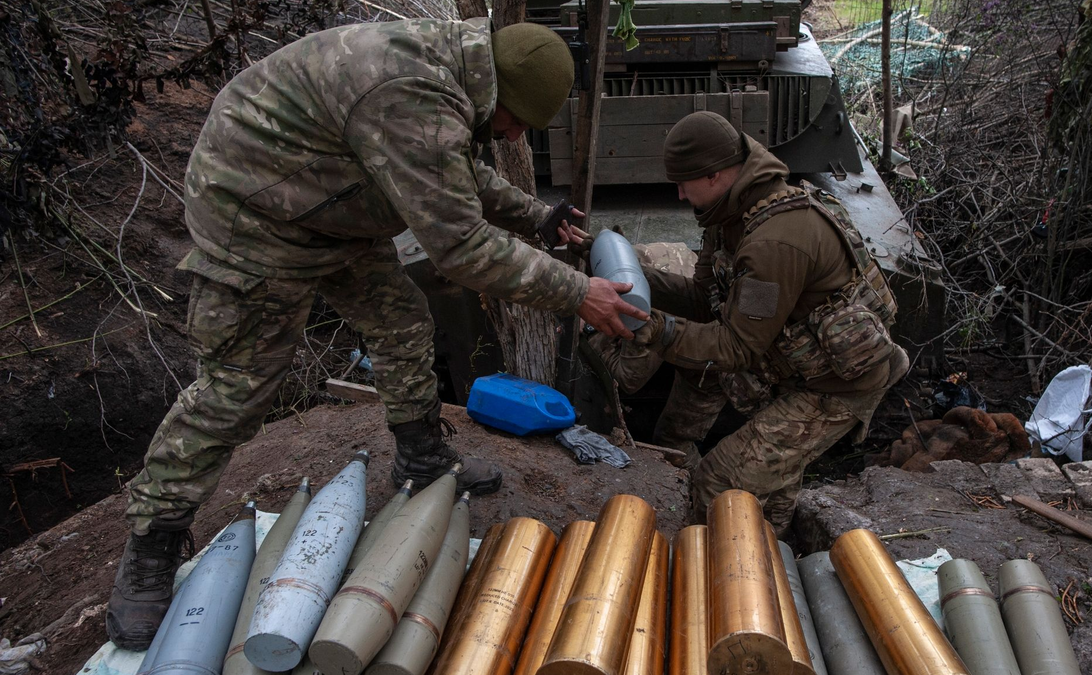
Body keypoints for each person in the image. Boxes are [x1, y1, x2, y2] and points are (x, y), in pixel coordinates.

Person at [106, 18, 646, 649]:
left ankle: (421, 460)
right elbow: (461, 247)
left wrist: (537, 217)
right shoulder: (410, 94)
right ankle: (153, 540)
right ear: (497, 92)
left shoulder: (453, 77)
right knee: (240, 384)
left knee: (401, 322)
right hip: (253, 214)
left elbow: (454, 172)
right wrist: (578, 292)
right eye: (517, 121)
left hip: (333, 201)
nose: (515, 136)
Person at [567, 111, 908, 536]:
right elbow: (700, 298)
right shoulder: (731, 216)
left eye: (683, 182)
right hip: (796, 371)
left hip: (836, 386)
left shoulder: (774, 241)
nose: (678, 195)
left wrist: (656, 329)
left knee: (720, 481)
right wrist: (617, 270)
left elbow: (737, 348)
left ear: (713, 176)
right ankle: (775, 555)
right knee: (773, 480)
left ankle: (733, 572)